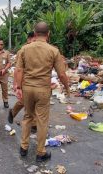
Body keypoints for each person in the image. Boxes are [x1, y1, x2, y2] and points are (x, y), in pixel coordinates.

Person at [16, 22, 70, 162]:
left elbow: (18, 70)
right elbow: (62, 74)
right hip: (43, 90)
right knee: (41, 121)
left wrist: (18, 88)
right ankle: (40, 152)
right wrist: (67, 87)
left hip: (27, 88)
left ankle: (23, 147)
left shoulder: (24, 49)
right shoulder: (53, 51)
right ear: (48, 34)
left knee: (27, 117)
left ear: (34, 32)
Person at [8, 31, 36, 125]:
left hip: (35, 81)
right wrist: (16, 84)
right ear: (28, 39)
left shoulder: (39, 50)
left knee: (33, 102)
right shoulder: (22, 51)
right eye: (34, 40)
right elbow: (18, 69)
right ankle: (13, 113)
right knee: (25, 101)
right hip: (24, 81)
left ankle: (34, 124)